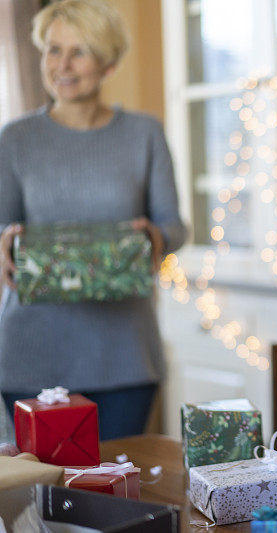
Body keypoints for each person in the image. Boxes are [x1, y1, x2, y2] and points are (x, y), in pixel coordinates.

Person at [0, 0, 185, 440]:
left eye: (79, 51)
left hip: (124, 355)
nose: (62, 65)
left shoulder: (144, 133)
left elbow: (174, 225)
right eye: (52, 49)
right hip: (31, 352)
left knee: (118, 490)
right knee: (41, 495)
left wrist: (155, 237)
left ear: (108, 63)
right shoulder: (15, 139)